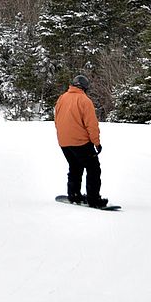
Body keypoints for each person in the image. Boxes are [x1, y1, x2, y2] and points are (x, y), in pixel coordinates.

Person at [54, 74, 107, 209]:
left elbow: (57, 119)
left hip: (64, 142)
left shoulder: (62, 98)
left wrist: (62, 137)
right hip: (80, 141)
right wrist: (97, 143)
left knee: (75, 167)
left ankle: (74, 194)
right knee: (93, 168)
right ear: (84, 87)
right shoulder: (84, 100)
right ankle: (93, 199)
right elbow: (91, 124)